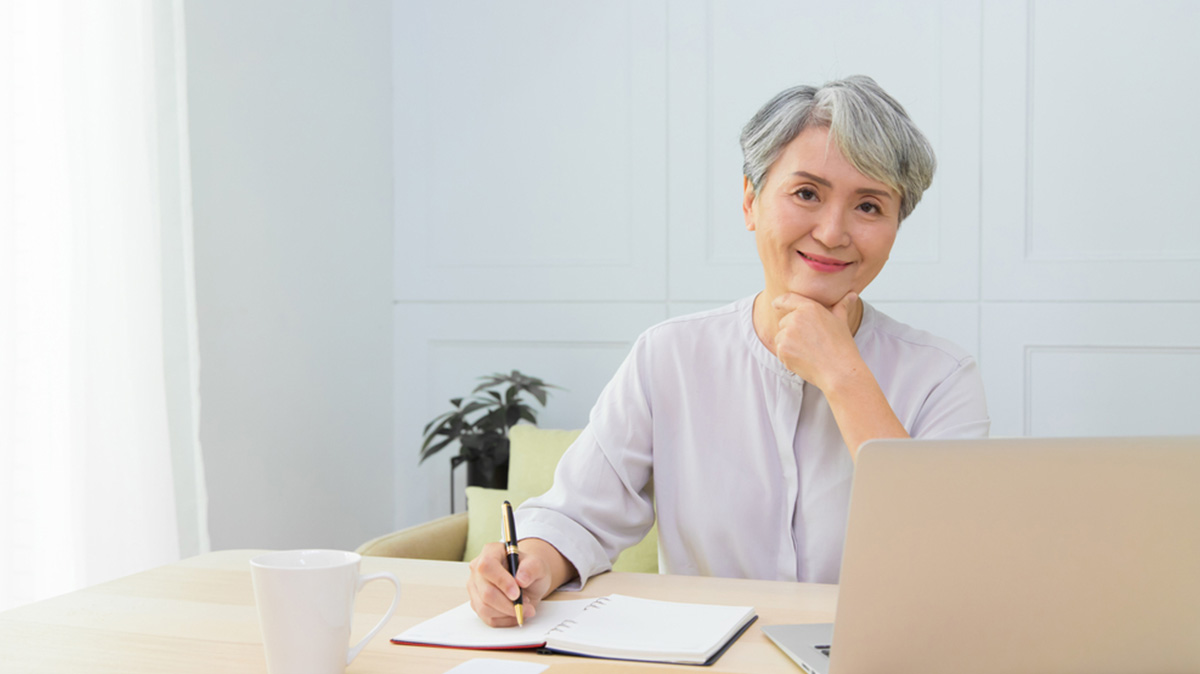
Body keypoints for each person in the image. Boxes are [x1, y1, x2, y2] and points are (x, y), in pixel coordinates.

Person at [466, 75, 990, 626]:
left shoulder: (943, 376)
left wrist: (842, 374)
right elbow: (577, 515)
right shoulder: (668, 356)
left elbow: (946, 555)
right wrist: (526, 571)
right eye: (806, 193)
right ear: (750, 202)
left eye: (869, 206)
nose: (834, 232)